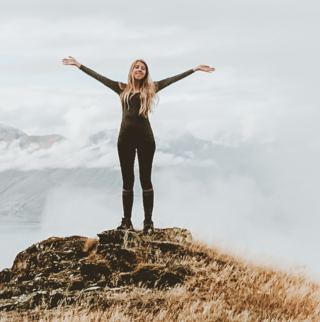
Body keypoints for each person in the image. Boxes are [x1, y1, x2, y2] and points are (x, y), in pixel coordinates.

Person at [62, 57, 215, 233]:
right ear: (131, 70)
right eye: (136, 67)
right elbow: (99, 77)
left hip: (145, 140)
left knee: (145, 179)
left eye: (143, 68)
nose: (139, 69)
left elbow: (173, 79)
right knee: (127, 180)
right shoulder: (121, 88)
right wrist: (79, 65)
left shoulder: (152, 88)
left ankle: (148, 222)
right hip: (124, 140)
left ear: (146, 73)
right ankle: (126, 221)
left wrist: (194, 69)